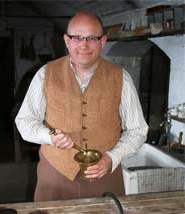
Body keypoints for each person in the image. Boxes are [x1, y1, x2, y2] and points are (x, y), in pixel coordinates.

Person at [15, 11, 148, 202]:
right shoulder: (45, 74)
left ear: (102, 41)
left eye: (92, 38)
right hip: (55, 176)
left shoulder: (122, 78)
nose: (84, 45)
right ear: (66, 40)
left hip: (105, 177)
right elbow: (24, 121)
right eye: (77, 38)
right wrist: (49, 137)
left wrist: (111, 158)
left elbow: (138, 130)